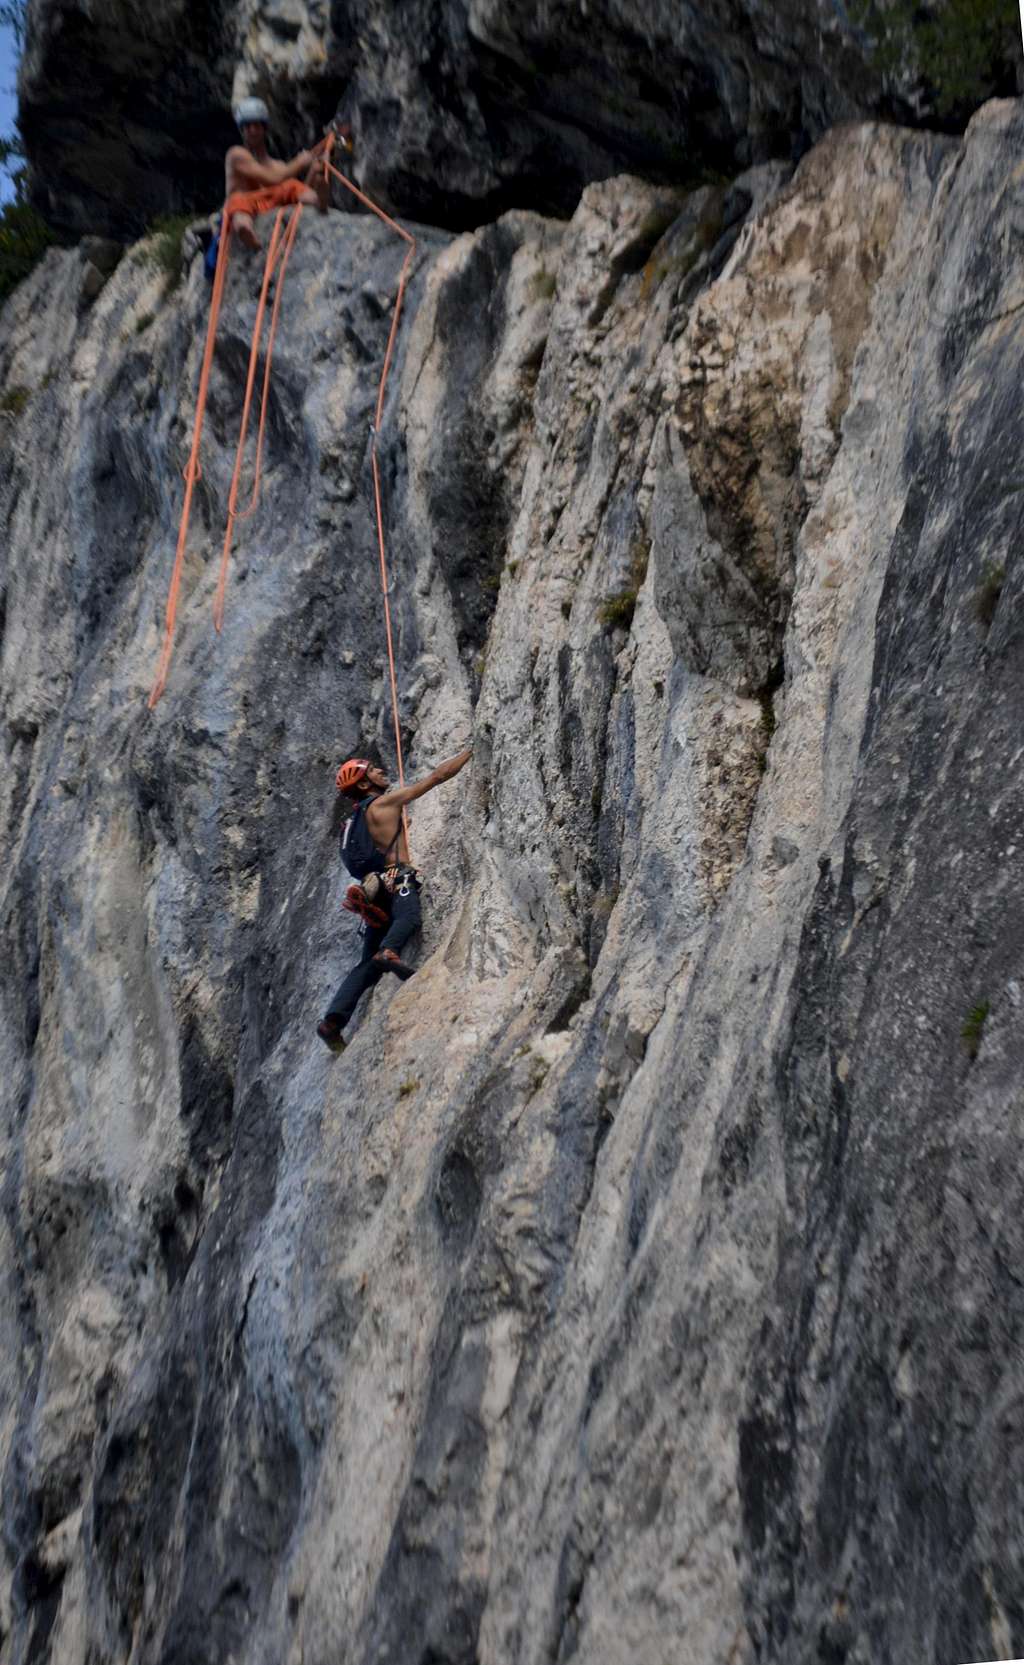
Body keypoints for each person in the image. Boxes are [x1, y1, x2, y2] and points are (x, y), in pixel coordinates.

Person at [317, 748, 473, 1054]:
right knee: (409, 918)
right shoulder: (384, 802)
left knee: (366, 965)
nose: (380, 771)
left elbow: (381, 841)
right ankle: (390, 951)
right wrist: (472, 749)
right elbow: (438, 777)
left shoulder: (356, 820)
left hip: (376, 892)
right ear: (364, 784)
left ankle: (332, 1022)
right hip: (398, 878)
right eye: (372, 770)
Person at [224, 96, 329, 251]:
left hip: (269, 204)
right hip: (246, 204)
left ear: (264, 128)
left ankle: (318, 200)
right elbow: (272, 179)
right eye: (248, 126)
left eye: (256, 125)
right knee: (237, 201)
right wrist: (299, 162)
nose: (252, 131)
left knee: (292, 186)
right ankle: (244, 227)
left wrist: (313, 170)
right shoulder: (236, 155)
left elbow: (292, 197)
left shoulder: (278, 165)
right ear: (242, 130)